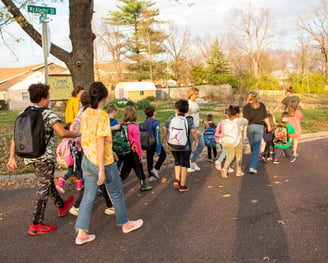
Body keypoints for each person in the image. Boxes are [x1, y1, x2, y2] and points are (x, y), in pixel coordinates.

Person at [75, 82, 143, 246]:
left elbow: (87, 136)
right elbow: (99, 140)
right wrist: (101, 170)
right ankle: (125, 224)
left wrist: (109, 150)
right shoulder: (103, 115)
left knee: (88, 196)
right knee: (116, 192)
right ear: (104, 97)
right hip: (103, 163)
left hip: (87, 159)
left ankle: (81, 233)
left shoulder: (85, 113)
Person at [6, 83, 78, 236]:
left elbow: (15, 138)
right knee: (43, 189)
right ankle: (36, 224)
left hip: (29, 156)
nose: (49, 100)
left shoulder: (23, 113)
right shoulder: (47, 114)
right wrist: (78, 134)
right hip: (44, 157)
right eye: (48, 97)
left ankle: (61, 204)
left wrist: (12, 157)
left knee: (46, 182)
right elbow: (62, 133)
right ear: (45, 98)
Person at [56, 91, 90, 194]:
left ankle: (80, 186)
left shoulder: (79, 114)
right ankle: (80, 190)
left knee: (77, 169)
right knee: (79, 169)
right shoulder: (87, 114)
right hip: (81, 147)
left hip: (74, 148)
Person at [163, 99, 198, 192]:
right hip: (185, 146)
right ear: (186, 109)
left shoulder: (172, 118)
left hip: (173, 145)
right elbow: (193, 130)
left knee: (177, 162)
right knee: (184, 164)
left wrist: (167, 139)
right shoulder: (188, 119)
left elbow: (164, 127)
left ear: (176, 109)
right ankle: (182, 185)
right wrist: (196, 140)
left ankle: (176, 179)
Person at [119, 106, 152, 191]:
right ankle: (143, 184)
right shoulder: (134, 127)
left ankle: (118, 182)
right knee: (137, 167)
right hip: (134, 151)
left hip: (125, 150)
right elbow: (137, 142)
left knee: (126, 168)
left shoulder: (122, 125)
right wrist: (140, 154)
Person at [243, 90, 271, 174]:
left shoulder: (246, 107)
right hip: (259, 127)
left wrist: (244, 132)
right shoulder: (261, 105)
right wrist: (269, 125)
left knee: (254, 147)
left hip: (250, 128)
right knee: (256, 147)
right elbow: (265, 117)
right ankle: (253, 166)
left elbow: (246, 121)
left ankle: (254, 163)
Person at [219, 105, 248, 178]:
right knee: (239, 156)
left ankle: (225, 168)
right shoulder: (238, 120)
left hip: (227, 140)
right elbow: (246, 121)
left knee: (230, 156)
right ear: (237, 114)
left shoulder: (224, 121)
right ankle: (239, 171)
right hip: (237, 140)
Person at [143, 105, 167, 182]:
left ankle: (150, 175)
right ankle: (156, 169)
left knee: (149, 158)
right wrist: (158, 148)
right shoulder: (156, 123)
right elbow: (157, 135)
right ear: (154, 113)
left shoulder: (145, 122)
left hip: (147, 143)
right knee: (163, 155)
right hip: (154, 143)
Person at [187, 87, 205, 172]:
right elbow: (188, 116)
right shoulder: (188, 103)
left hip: (197, 126)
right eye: (195, 94)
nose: (197, 96)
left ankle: (193, 161)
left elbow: (196, 116)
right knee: (189, 147)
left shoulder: (195, 103)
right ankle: (187, 165)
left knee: (201, 144)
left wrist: (203, 121)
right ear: (191, 94)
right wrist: (193, 128)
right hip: (191, 128)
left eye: (197, 94)